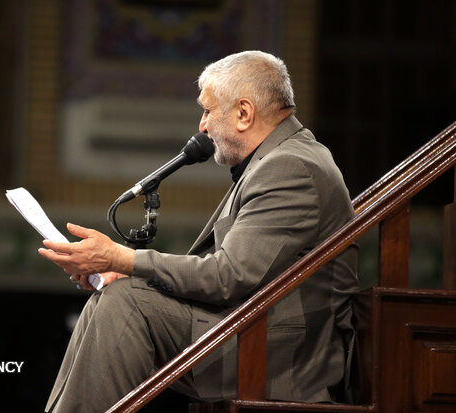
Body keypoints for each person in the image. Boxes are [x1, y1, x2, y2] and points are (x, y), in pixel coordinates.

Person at [39, 50, 358, 413]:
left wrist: (124, 258)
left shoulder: (290, 166)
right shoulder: (280, 158)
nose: (202, 125)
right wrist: (122, 268)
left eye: (207, 110)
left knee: (125, 302)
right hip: (254, 332)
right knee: (117, 293)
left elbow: (228, 276)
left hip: (282, 358)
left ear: (243, 113)